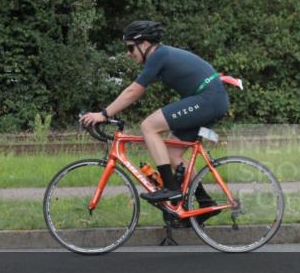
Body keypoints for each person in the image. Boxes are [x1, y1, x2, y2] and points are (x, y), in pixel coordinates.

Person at [80, 20, 229, 205]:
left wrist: (103, 114)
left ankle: (171, 188)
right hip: (211, 99)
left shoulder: (159, 55)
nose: (129, 53)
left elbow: (133, 91)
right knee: (173, 154)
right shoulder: (161, 55)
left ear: (144, 44)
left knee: (148, 126)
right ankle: (205, 202)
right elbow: (137, 91)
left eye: (130, 48)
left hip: (208, 99)